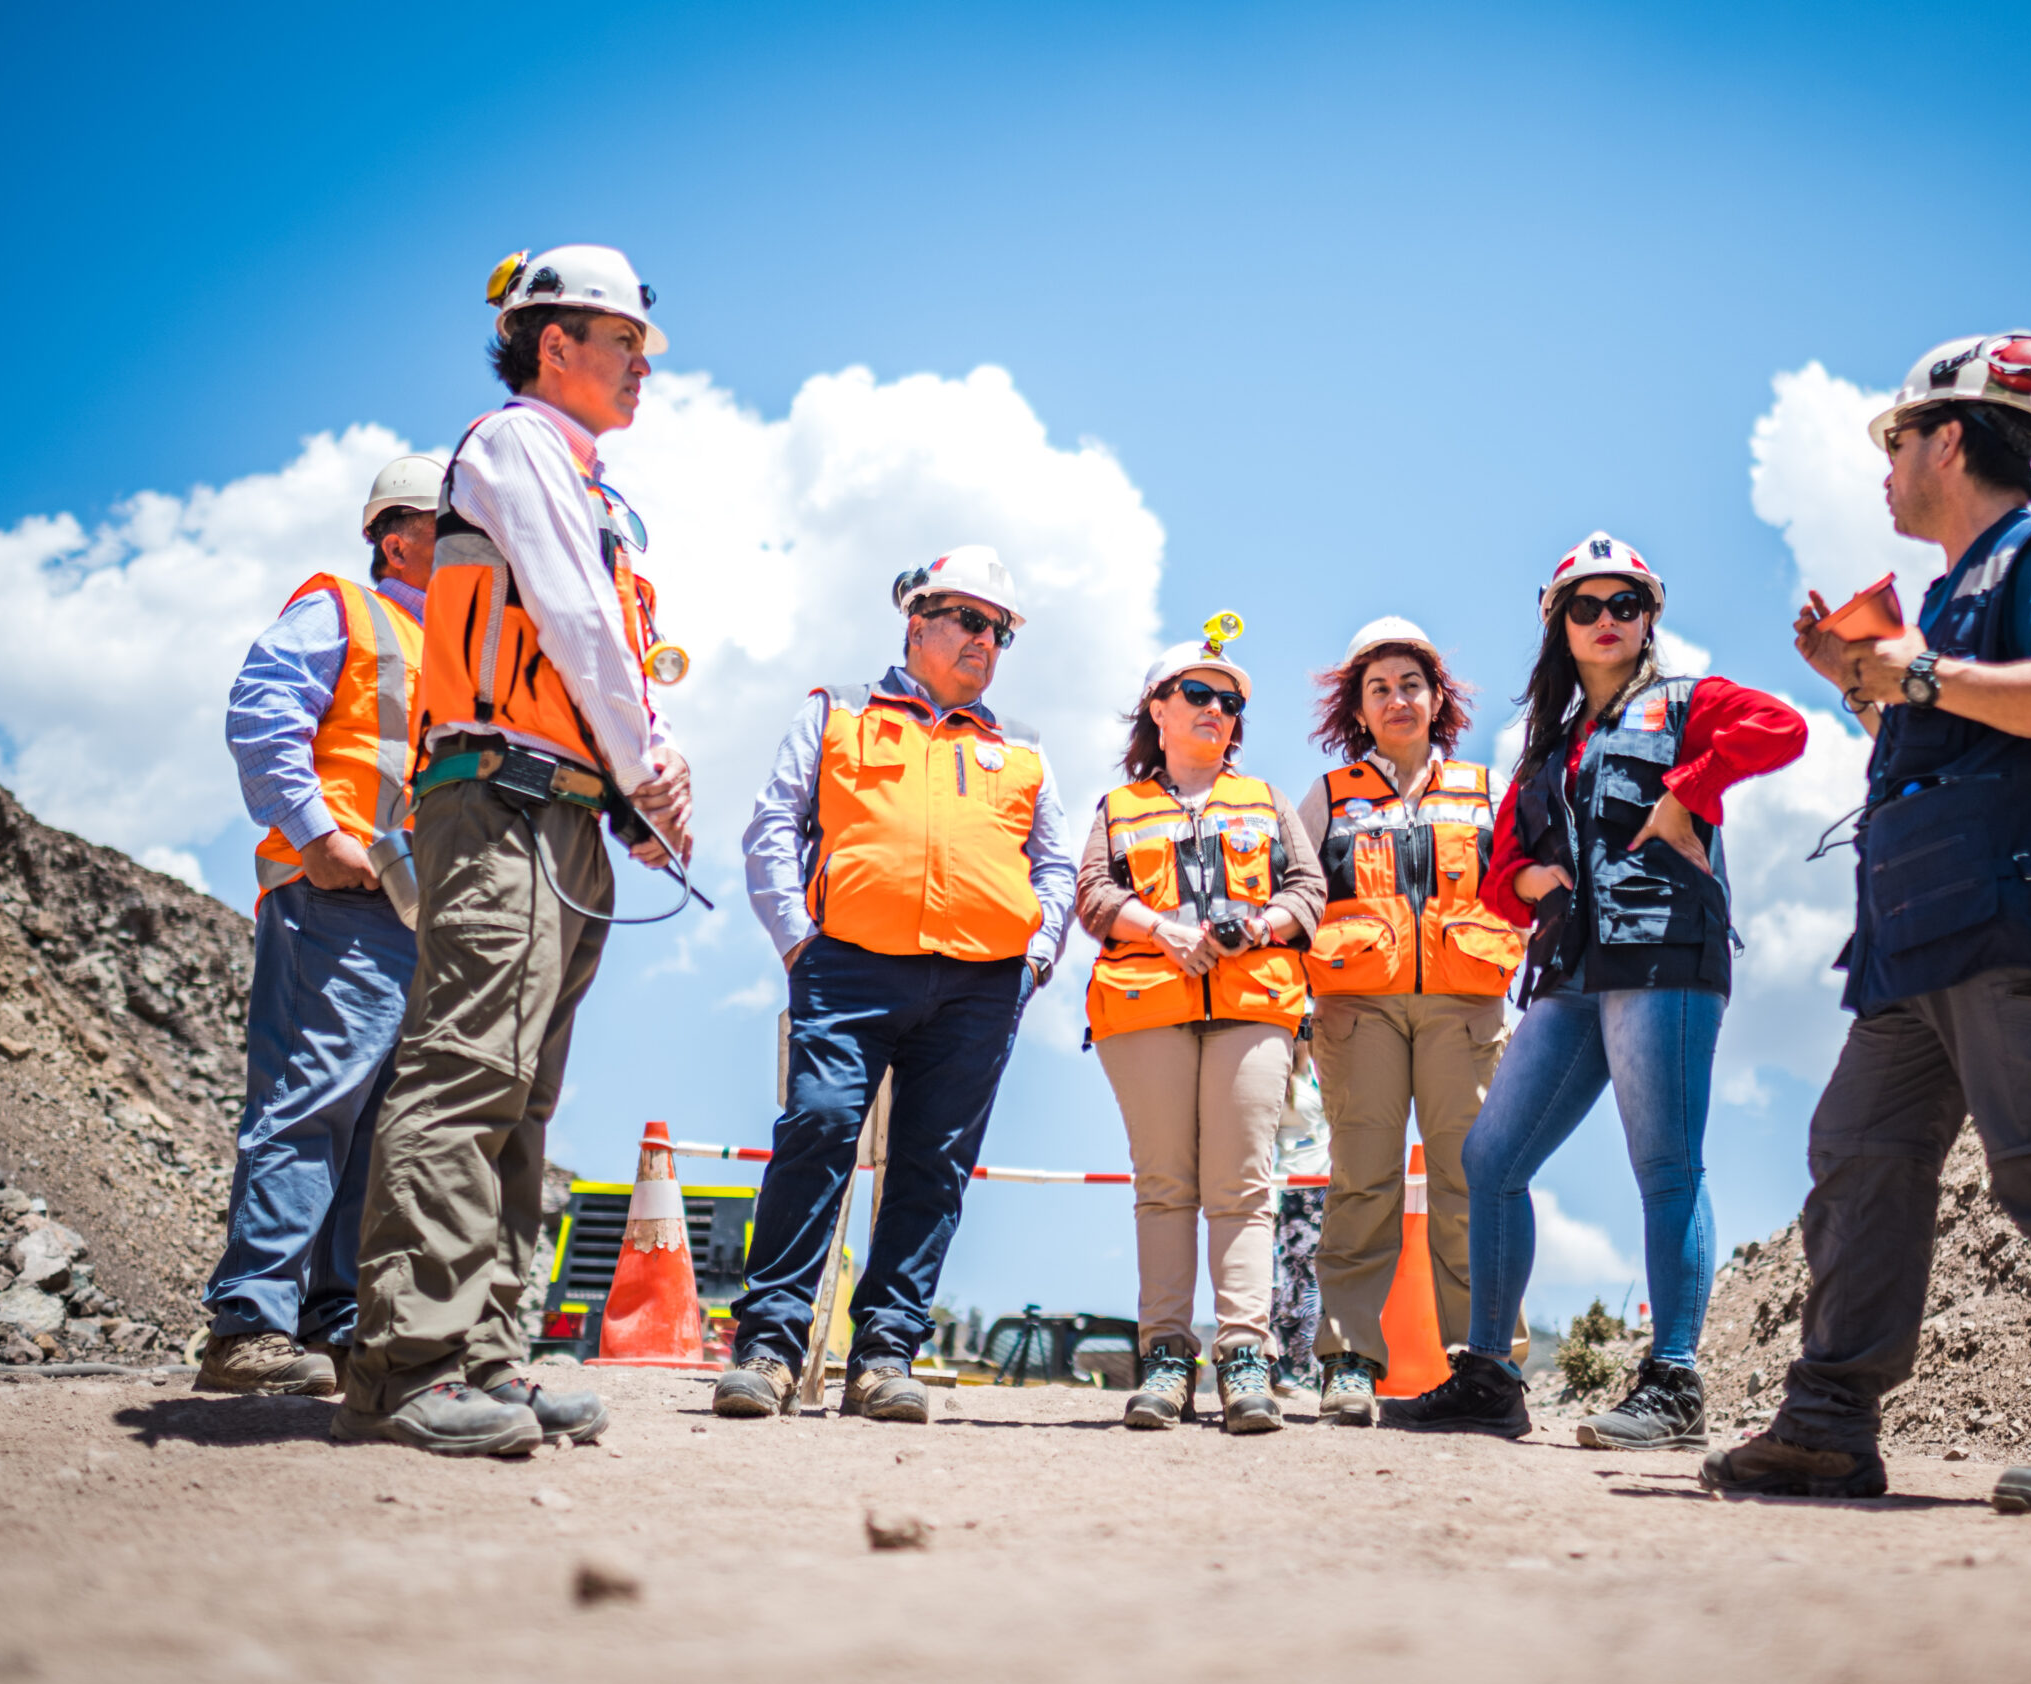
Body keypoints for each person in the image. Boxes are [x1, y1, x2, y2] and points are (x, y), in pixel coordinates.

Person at [1704, 332, 2031, 1515]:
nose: (1885, 463)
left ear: (1952, 440)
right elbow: (1945, 739)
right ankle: (1827, 1427)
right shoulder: (1944, 601)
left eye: (1897, 439)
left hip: (2012, 921)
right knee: (1858, 1150)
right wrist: (1855, 678)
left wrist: (1912, 673)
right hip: (1916, 941)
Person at [339, 245, 695, 1457]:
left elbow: (609, 655)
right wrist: (649, 776)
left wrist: (637, 779)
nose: (644, 367)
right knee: (464, 1068)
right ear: (559, 343)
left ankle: (488, 1347)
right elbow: (579, 620)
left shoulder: (590, 485)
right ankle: (409, 1362)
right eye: (627, 343)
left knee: (522, 1091)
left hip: (558, 807)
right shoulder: (516, 446)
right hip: (495, 802)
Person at [1381, 534, 1805, 1444]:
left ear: (1651, 613)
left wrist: (1690, 791)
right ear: (1558, 623)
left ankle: (1676, 1382)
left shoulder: (1691, 703)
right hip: (1571, 974)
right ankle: (1490, 1374)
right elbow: (1499, 871)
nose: (1606, 621)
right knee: (1492, 1159)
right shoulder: (1550, 747)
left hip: (1664, 958)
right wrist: (1531, 883)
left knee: (1665, 1165)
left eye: (1625, 604)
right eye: (1587, 606)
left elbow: (1785, 728)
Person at [717, 547, 1075, 1423]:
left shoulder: (1021, 745)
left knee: (932, 1166)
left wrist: (1034, 958)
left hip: (982, 984)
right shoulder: (837, 710)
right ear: (917, 624)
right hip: (846, 964)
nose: (987, 641)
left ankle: (882, 1355)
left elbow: (1056, 861)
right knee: (820, 1128)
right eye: (971, 620)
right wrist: (799, 942)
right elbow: (773, 820)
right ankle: (769, 1346)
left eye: (1003, 630)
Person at [201, 455, 439, 1396]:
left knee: (383, 1126)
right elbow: (262, 710)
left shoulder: (459, 649)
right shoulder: (344, 608)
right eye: (447, 522)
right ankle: (248, 1320)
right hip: (338, 895)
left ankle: (334, 1321)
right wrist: (315, 834)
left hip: (421, 915)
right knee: (310, 1102)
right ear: (397, 535)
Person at [1077, 621, 1327, 1434]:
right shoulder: (1119, 807)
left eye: (1229, 700)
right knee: (1164, 1187)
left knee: (1243, 1187)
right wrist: (1163, 930)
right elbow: (1091, 897)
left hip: (1252, 1004)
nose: (1216, 708)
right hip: (1148, 1005)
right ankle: (1167, 1357)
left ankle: (1245, 1357)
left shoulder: (1269, 801)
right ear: (1157, 706)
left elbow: (1308, 889)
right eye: (1197, 692)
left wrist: (1256, 927)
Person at [1297, 616, 1525, 1426]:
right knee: (1363, 1177)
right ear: (1357, 708)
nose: (1397, 699)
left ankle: (1487, 1363)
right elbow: (1297, 905)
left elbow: (1525, 888)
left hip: (1465, 1009)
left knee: (1475, 1179)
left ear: (1439, 698)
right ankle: (1348, 1362)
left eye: (1411, 685)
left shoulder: (1488, 790)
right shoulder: (1324, 799)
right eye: (1379, 688)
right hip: (1356, 1012)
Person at [1267, 1034, 1329, 1396]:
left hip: (1322, 1186)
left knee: (1309, 1282)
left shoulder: (1312, 1077)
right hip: (1296, 1188)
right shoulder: (1288, 1082)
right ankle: (1293, 1370)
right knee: (1298, 1284)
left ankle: (1306, 1371)